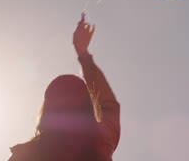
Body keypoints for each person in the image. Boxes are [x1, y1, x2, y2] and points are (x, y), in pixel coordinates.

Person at [8, 13, 120, 161]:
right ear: (87, 105)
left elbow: (110, 106)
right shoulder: (100, 141)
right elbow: (109, 106)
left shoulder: (27, 154)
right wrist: (83, 54)